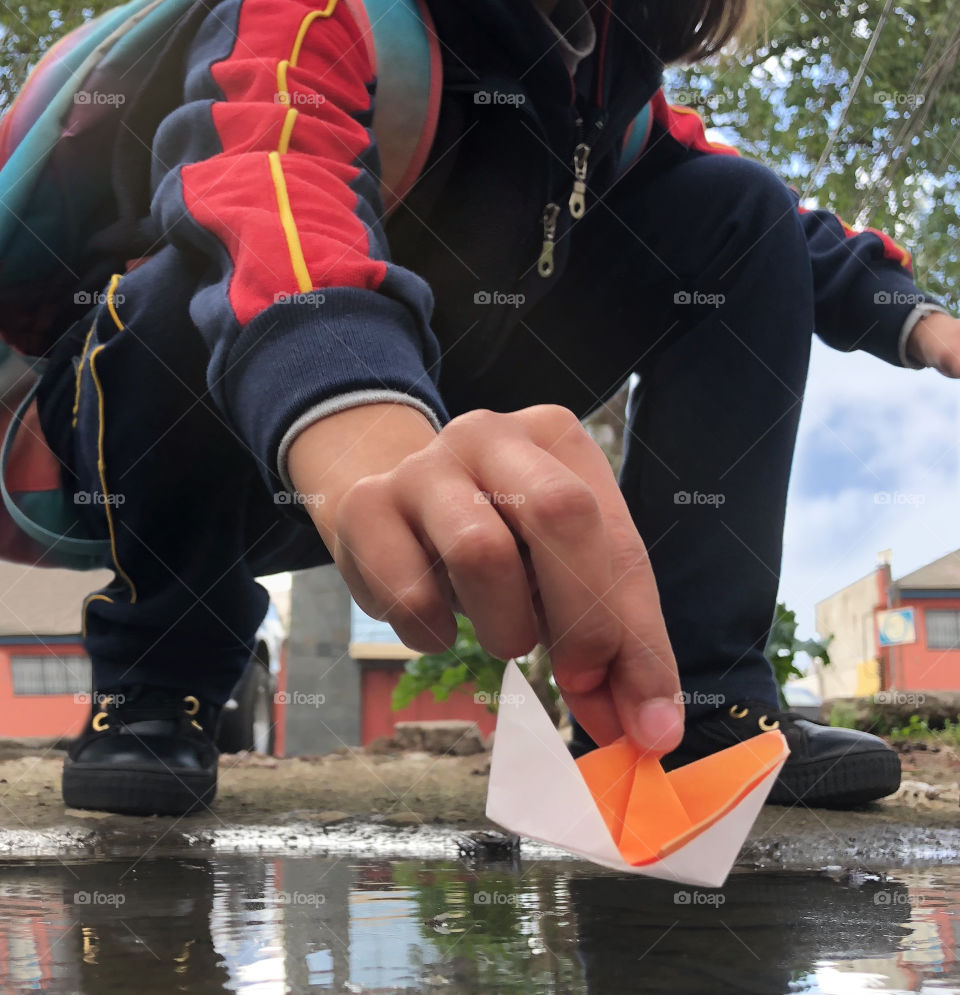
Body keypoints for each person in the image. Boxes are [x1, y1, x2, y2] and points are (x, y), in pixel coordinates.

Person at [38, 0, 959, 816]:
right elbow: (267, 178)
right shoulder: (324, 14)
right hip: (171, 442)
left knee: (740, 207)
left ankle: (694, 709)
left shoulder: (605, 92)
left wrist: (917, 321)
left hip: (435, 436)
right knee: (184, 280)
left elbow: (782, 230)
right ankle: (158, 686)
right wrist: (363, 421)